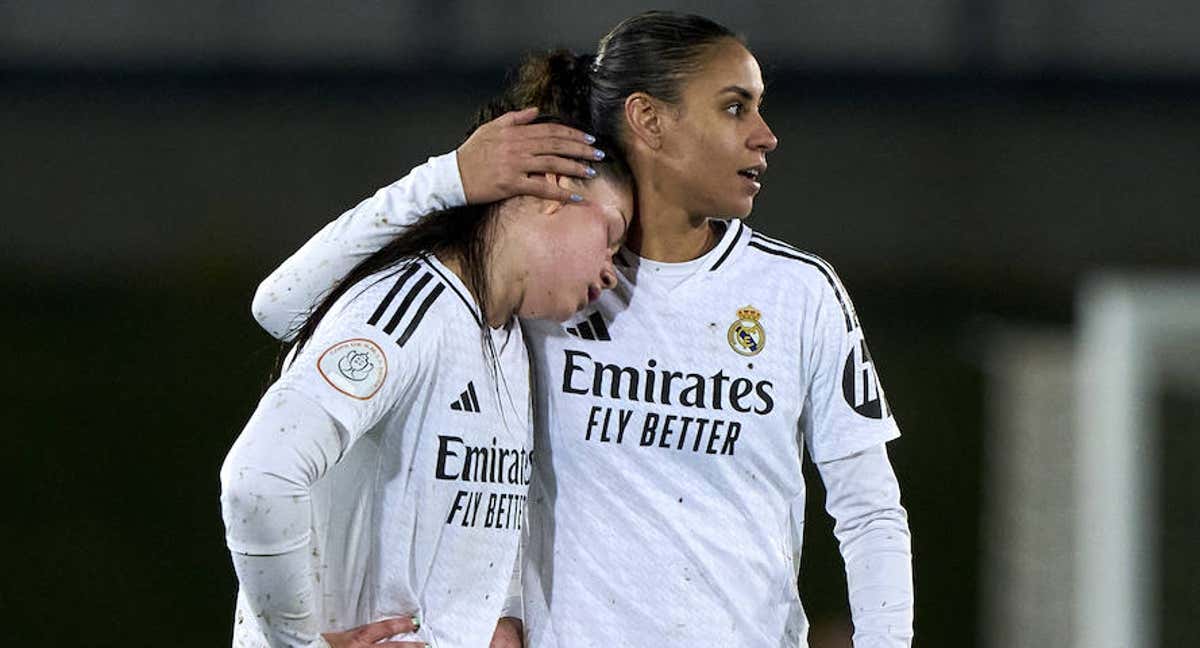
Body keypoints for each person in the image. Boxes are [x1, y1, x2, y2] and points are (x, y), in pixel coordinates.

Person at [251, 11, 914, 648]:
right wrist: (445, 180)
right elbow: (286, 310)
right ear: (649, 119)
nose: (766, 134)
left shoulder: (799, 293)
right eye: (735, 106)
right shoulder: (546, 292)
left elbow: (870, 510)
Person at [219, 93, 633, 647]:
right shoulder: (407, 311)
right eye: (611, 237)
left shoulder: (511, 342)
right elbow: (258, 478)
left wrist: (502, 618)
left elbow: (480, 521)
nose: (611, 275)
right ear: (554, 194)